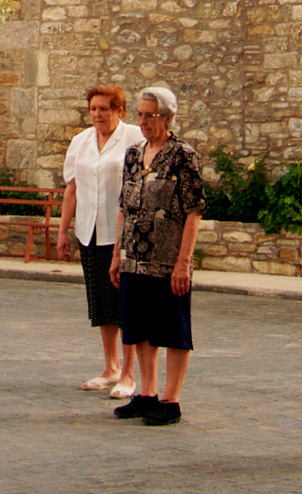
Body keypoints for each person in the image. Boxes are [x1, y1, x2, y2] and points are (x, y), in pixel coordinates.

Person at [108, 86, 204, 426]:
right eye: (140, 114)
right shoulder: (134, 154)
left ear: (168, 117)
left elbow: (194, 211)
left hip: (166, 259)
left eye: (151, 115)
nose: (144, 121)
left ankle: (170, 398)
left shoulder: (183, 156)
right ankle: (146, 393)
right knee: (140, 326)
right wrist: (118, 254)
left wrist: (184, 262)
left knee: (172, 328)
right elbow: (124, 205)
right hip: (134, 254)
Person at [56, 84, 145, 398]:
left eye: (104, 109)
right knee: (101, 303)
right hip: (89, 231)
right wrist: (62, 231)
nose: (97, 115)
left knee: (125, 304)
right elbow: (72, 188)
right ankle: (110, 367)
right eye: (93, 109)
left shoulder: (134, 137)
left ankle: (129, 374)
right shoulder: (80, 142)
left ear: (118, 111)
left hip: (122, 234)